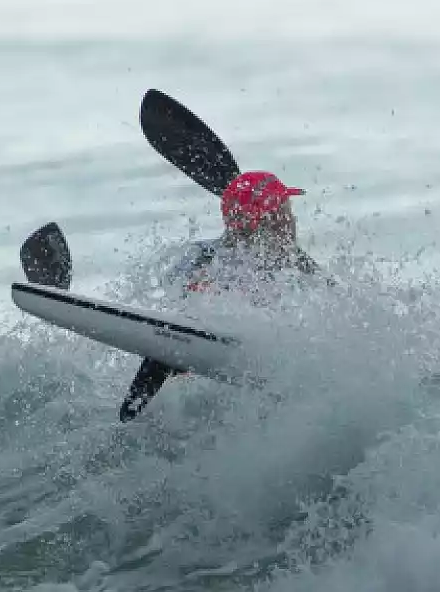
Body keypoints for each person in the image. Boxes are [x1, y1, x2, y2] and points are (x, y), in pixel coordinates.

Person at [119, 170, 319, 422]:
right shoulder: (208, 261)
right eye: (285, 215)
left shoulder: (293, 264)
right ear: (264, 222)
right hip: (195, 390)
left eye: (289, 214)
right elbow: (179, 326)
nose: (292, 222)